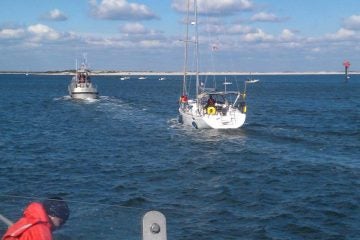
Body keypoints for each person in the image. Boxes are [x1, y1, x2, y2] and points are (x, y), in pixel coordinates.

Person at [2, 197, 70, 240]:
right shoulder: (42, 231)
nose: (59, 226)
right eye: (61, 222)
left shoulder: (27, 219)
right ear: (52, 215)